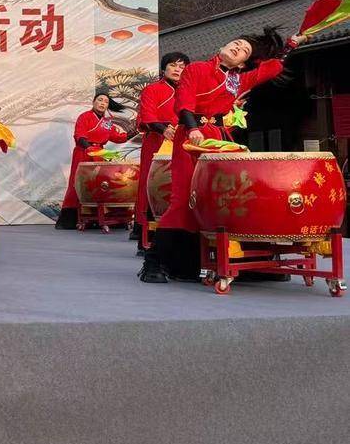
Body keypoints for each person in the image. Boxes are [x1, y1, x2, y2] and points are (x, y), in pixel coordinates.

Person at [138, 29, 306, 283]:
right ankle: (154, 261)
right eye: (236, 43)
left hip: (218, 137)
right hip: (191, 139)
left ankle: (239, 261)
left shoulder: (238, 80)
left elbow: (271, 69)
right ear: (223, 46)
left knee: (225, 198)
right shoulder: (197, 69)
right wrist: (192, 128)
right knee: (185, 198)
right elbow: (184, 102)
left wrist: (292, 44)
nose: (238, 47)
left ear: (243, 63)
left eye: (245, 51)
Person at [131, 53, 189, 252]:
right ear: (164, 69)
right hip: (156, 141)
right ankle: (147, 235)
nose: (177, 69)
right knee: (152, 184)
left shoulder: (189, 90)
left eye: (182, 67)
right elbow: (147, 116)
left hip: (182, 141)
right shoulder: (152, 89)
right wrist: (163, 129)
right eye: (173, 65)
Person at [54, 91, 131, 230]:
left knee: (100, 184)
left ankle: (99, 217)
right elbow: (79, 135)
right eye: (100, 100)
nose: (102, 103)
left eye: (106, 102)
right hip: (83, 151)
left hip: (99, 153)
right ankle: (69, 220)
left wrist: (134, 131)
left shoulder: (107, 122)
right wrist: (89, 148)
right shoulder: (84, 117)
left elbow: (119, 137)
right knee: (77, 183)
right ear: (94, 102)